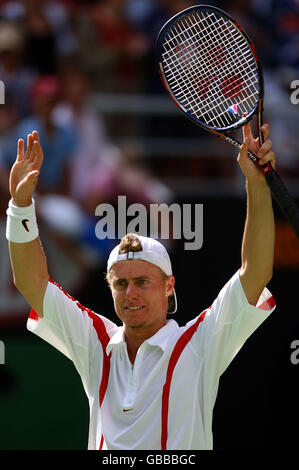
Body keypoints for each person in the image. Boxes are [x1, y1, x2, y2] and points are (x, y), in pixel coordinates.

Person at [6, 122, 276, 450]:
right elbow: (30, 282)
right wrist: (20, 205)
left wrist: (256, 183)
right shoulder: (95, 342)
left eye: (142, 282)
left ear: (168, 286)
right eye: (121, 283)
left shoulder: (199, 342)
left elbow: (255, 271)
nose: (130, 292)